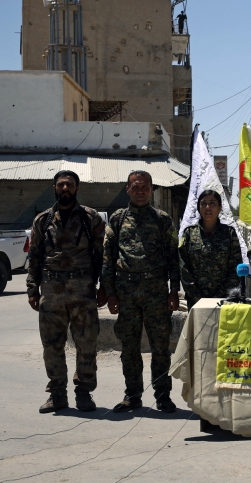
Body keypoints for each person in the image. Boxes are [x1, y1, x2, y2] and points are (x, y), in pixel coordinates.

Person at [26, 170, 107, 414]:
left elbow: (102, 256)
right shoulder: (42, 220)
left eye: (69, 185)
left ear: (77, 188)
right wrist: (32, 288)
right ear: (54, 187)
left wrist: (105, 287)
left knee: (86, 343)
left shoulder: (90, 218)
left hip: (82, 289)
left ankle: (84, 393)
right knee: (51, 345)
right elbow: (35, 255)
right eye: (61, 185)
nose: (65, 189)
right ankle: (57, 394)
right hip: (51, 291)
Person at [101, 170, 181, 413]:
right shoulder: (117, 218)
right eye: (135, 186)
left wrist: (174, 290)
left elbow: (173, 258)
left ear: (151, 189)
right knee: (129, 347)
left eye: (144, 187)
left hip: (156, 292)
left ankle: (162, 396)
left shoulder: (162, 219)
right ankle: (132, 395)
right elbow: (108, 258)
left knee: (160, 347)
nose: (140, 190)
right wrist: (110, 292)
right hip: (126, 294)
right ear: (127, 189)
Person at [179, 189, 243, 308]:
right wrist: (197, 296)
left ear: (220, 207)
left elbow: (235, 266)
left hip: (224, 299)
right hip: (195, 300)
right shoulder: (189, 233)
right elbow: (183, 267)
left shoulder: (229, 233)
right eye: (203, 203)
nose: (208, 207)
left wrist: (220, 295)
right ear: (199, 207)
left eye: (212, 203)